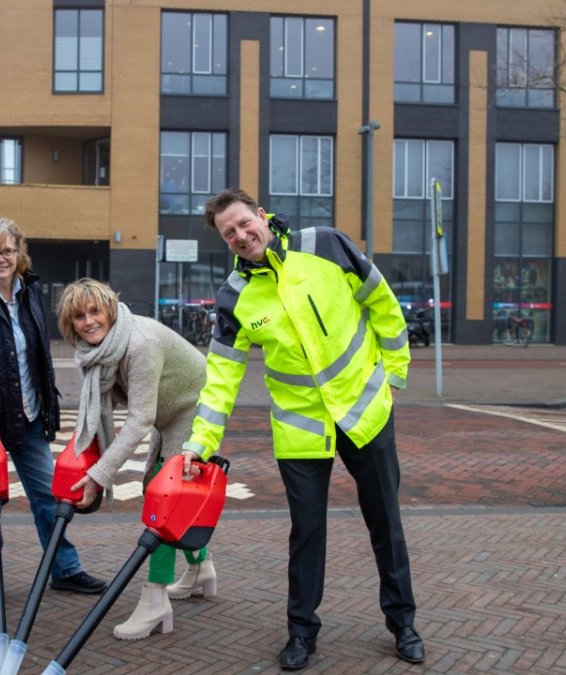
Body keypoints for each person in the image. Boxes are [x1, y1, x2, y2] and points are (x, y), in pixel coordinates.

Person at [180, 188, 424, 670]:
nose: (241, 235)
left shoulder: (327, 244)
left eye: (244, 223)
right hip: (300, 430)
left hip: (365, 410)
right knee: (306, 534)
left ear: (261, 215)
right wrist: (200, 443)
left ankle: (403, 624)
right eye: (229, 233)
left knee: (386, 523)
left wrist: (395, 373)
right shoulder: (234, 296)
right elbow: (221, 378)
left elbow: (382, 301)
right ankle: (301, 632)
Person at [0, 217, 106, 604]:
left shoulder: (30, 291)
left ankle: (64, 569)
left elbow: (39, 357)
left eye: (7, 251)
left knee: (49, 496)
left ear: (19, 254)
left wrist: (48, 408)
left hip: (28, 416)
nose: (1, 258)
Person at [56, 278, 213, 641]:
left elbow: (140, 418)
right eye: (79, 316)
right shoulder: (98, 353)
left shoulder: (140, 343)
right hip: (167, 410)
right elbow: (100, 408)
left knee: (165, 499)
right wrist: (80, 457)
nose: (88, 321)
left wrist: (100, 474)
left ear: (110, 310)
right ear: (70, 324)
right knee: (160, 494)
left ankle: (156, 600)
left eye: (95, 311)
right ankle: (201, 568)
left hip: (194, 407)